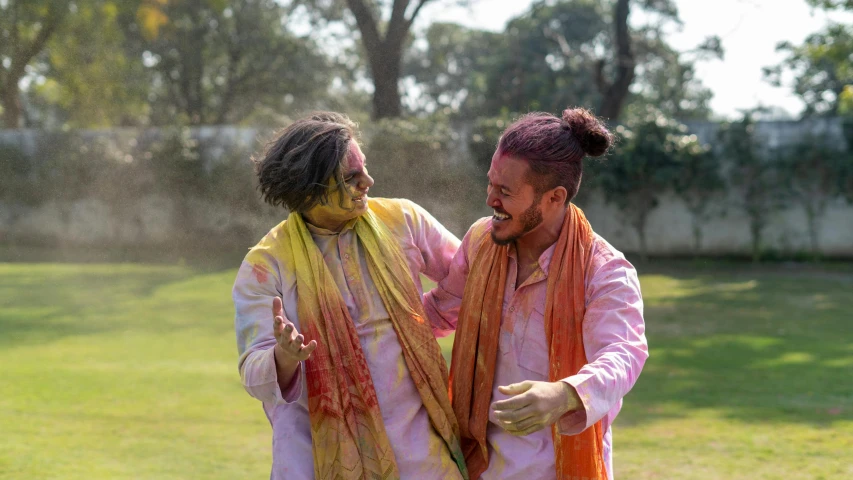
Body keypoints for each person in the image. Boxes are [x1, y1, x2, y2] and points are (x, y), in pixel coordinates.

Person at [233, 112, 468, 480]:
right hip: (315, 454)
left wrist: (427, 317)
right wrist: (283, 357)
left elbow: (469, 279)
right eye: (350, 178)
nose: (368, 182)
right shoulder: (266, 264)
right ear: (310, 190)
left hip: (418, 450)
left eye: (365, 169)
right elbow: (253, 375)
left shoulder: (403, 220)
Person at [424, 108, 648, 480]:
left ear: (554, 198)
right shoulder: (481, 242)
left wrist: (566, 394)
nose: (490, 199)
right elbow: (439, 310)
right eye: (490, 184)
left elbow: (624, 354)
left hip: (558, 468)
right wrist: (366, 324)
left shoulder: (604, 271)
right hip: (475, 463)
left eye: (505, 191)